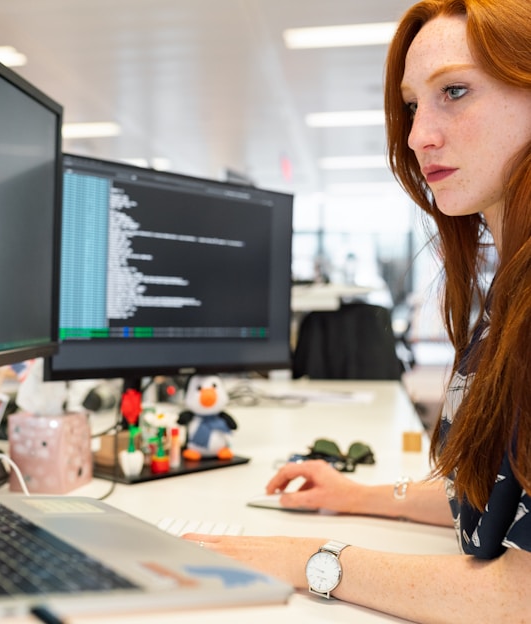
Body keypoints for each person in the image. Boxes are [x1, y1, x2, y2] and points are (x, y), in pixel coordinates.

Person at [183, 1, 531, 621]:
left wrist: (307, 560)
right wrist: (361, 495)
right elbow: (498, 499)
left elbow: (522, 592)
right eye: (411, 105)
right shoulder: (508, 297)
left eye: (455, 91)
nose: (419, 134)